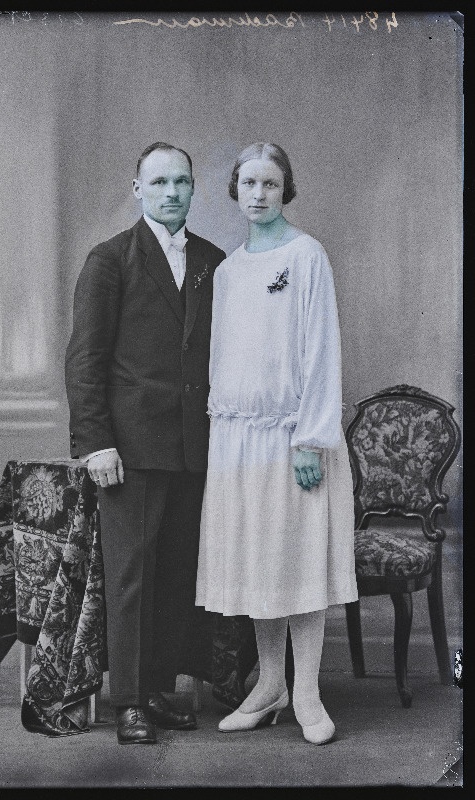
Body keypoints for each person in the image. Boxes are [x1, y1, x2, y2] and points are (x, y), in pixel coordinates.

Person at [195, 142, 359, 745]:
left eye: (269, 183)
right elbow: (223, 358)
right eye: (248, 183)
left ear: (285, 188)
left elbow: (320, 350)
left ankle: (307, 692)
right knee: (260, 564)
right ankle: (269, 687)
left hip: (294, 437)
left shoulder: (307, 255)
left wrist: (311, 439)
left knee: (299, 561)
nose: (258, 194)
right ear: (235, 191)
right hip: (238, 439)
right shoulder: (229, 269)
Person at [65, 142, 225, 745]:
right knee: (130, 577)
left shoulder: (212, 259)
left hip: (193, 446)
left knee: (176, 573)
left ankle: (157, 690)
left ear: (193, 187)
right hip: (129, 450)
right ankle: (128, 701)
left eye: (181, 181)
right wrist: (96, 443)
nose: (171, 192)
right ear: (137, 189)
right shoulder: (110, 260)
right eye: (158, 182)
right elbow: (85, 360)